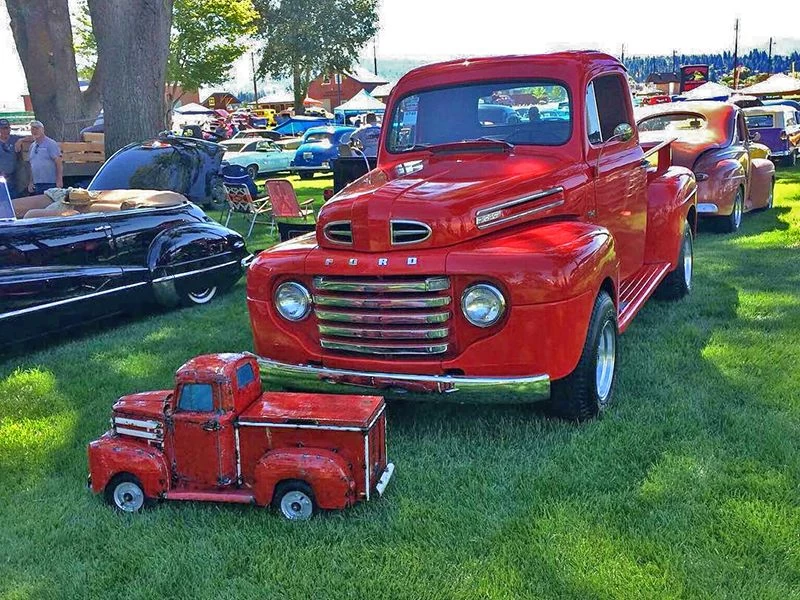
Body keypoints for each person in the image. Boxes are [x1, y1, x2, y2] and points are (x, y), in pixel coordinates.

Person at [26, 120, 63, 194]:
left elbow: (58, 162)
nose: (35, 131)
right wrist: (31, 182)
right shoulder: (32, 146)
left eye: (37, 128)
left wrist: (59, 181)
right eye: (32, 129)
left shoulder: (50, 144)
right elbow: (32, 165)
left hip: (50, 183)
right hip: (37, 183)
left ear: (42, 129)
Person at [0, 119, 24, 199]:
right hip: (1, 175)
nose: (4, 130)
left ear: (10, 129)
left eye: (6, 128)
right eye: (2, 128)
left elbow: (33, 138)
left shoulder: (14, 139)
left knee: (14, 199)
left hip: (12, 177)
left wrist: (22, 140)